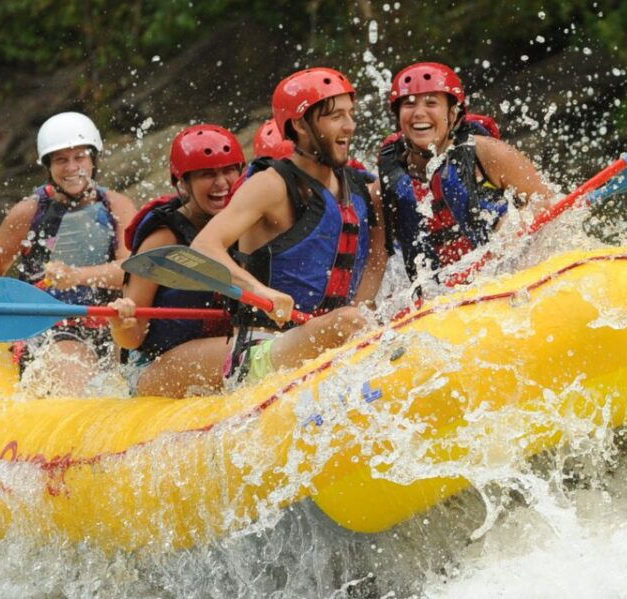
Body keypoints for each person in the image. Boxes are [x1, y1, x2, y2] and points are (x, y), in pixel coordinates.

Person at [190, 67, 387, 387]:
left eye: (351, 114)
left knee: (355, 319)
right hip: (264, 348)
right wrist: (259, 291)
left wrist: (360, 308)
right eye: (336, 116)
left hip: (333, 335)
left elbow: (378, 255)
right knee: (349, 323)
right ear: (300, 124)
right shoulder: (271, 185)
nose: (349, 126)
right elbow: (204, 246)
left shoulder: (360, 187)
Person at [0, 111, 136, 393]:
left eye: (80, 157)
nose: (72, 167)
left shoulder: (117, 206)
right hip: (48, 329)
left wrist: (75, 275)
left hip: (112, 321)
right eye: (61, 159)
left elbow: (130, 270)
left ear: (93, 160)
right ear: (48, 165)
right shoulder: (29, 211)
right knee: (77, 373)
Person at [378, 62, 555, 284]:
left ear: (454, 113)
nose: (419, 113)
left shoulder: (486, 152)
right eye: (409, 105)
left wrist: (513, 226)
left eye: (432, 103)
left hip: (504, 277)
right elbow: (378, 253)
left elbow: (547, 201)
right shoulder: (388, 180)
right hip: (438, 297)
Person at [107, 125, 244, 397]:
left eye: (228, 171)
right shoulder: (164, 237)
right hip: (154, 366)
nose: (221, 183)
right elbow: (131, 339)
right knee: (254, 350)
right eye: (207, 174)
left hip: (214, 354)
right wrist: (120, 324)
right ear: (183, 183)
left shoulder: (246, 224)